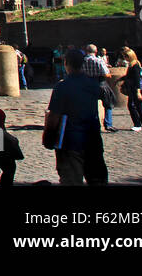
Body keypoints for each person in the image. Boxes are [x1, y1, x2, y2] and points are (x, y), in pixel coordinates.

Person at [47, 49, 108, 185]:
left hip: (71, 141)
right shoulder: (93, 85)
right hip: (93, 139)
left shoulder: (62, 87)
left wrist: (49, 136)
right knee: (97, 180)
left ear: (66, 64)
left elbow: (54, 116)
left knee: (72, 180)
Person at [82, 44, 115, 132]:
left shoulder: (83, 61)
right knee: (108, 104)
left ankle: (94, 123)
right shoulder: (99, 61)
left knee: (91, 105)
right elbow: (106, 74)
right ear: (96, 51)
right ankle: (108, 124)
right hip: (101, 83)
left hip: (88, 84)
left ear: (86, 51)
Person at [121, 48, 142, 131]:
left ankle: (138, 124)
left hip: (135, 89)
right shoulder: (133, 65)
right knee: (138, 106)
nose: (124, 59)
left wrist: (138, 92)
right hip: (132, 89)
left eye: (125, 57)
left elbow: (137, 79)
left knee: (132, 106)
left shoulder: (135, 66)